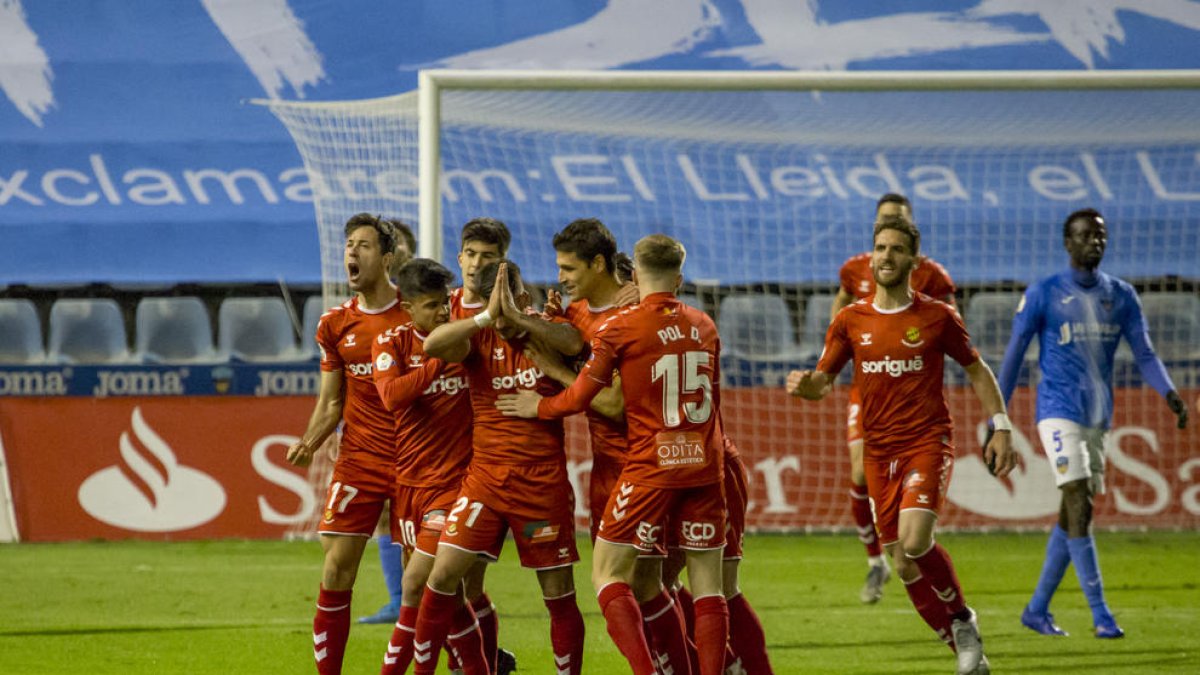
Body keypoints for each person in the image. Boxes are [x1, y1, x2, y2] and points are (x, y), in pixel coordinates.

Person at [786, 214, 1015, 675]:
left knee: (914, 541)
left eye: (895, 249)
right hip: (878, 451)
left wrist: (1002, 425)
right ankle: (966, 653)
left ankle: (962, 617)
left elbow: (976, 368)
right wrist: (804, 386)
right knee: (905, 566)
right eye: (880, 248)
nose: (885, 256)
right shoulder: (851, 320)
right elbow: (824, 382)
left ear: (913, 258)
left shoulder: (936, 316)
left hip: (927, 442)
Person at [497, 234, 731, 675]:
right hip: (703, 464)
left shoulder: (622, 327)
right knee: (707, 590)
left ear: (633, 274)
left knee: (608, 575)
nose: (562, 276)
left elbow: (584, 396)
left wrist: (540, 404)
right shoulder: (705, 324)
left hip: (647, 465)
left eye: (568, 268)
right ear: (679, 278)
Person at [998, 208, 1189, 639]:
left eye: (1100, 235)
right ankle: (1101, 615)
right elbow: (1013, 356)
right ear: (1068, 243)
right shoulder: (1045, 293)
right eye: (1084, 235)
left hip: (1098, 416)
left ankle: (1036, 610)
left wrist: (1170, 393)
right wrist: (999, 416)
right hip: (1056, 411)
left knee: (1073, 513)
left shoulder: (1121, 296)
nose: (1094, 242)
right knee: (1078, 500)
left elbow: (1144, 353)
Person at [415, 259, 586, 675]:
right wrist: (489, 315)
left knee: (558, 594)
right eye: (498, 306)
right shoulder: (477, 337)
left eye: (512, 303)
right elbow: (432, 345)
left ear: (524, 297)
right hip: (485, 482)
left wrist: (523, 317)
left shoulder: (546, 331)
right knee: (439, 580)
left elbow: (574, 343)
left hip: (540, 483)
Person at [285, 214, 411, 675]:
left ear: (388, 257)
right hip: (359, 460)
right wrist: (310, 441)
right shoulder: (335, 324)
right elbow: (331, 401)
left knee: (432, 579)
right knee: (336, 565)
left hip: (419, 463)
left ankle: (471, 654)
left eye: (364, 245)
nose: (352, 253)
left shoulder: (416, 315)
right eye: (349, 245)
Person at [830, 193, 957, 605]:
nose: (889, 227)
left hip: (912, 393)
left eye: (897, 221)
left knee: (912, 539)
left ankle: (913, 543)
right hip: (867, 389)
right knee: (858, 471)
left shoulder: (932, 276)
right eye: (883, 221)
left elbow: (955, 328)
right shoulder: (855, 270)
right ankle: (874, 562)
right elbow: (839, 317)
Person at [371, 258, 488, 674]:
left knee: (416, 584)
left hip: (456, 484)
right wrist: (437, 359)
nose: (443, 312)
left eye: (445, 303)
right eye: (432, 305)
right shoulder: (392, 342)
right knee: (445, 598)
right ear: (407, 306)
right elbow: (392, 396)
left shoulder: (463, 339)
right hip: (410, 482)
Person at [360, 216, 419, 626]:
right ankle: (398, 600)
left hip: (420, 428)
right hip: (374, 426)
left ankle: (428, 598)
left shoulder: (422, 305)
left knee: (420, 514)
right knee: (384, 512)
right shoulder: (363, 308)